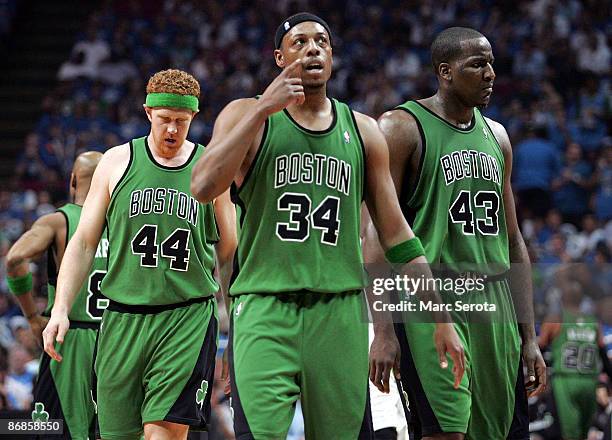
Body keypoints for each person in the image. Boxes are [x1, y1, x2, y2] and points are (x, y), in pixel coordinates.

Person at [190, 12, 464, 440]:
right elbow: (203, 186)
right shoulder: (246, 114)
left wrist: (440, 318)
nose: (312, 48)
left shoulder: (363, 130)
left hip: (340, 312)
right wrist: (264, 106)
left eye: (321, 41)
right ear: (279, 57)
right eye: (299, 42)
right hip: (264, 307)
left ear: (333, 57)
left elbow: (397, 235)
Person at [368, 27, 547, 439]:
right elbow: (376, 234)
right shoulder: (400, 127)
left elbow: (514, 240)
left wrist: (529, 336)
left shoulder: (497, 136)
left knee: (502, 432)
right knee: (446, 432)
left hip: (495, 299)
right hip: (430, 298)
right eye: (477, 65)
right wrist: (382, 330)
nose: (490, 74)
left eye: (491, 65)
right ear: (445, 71)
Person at [43, 69, 236, 440]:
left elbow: (229, 250)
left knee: (162, 434)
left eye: (181, 121)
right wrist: (61, 309)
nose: (172, 130)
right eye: (164, 120)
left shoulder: (210, 169)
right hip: (120, 319)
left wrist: (236, 321)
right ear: (148, 112)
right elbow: (83, 243)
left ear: (193, 118)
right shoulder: (116, 163)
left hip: (186, 317)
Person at [6, 151, 105, 439]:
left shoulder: (59, 222)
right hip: (117, 340)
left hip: (68, 342)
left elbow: (14, 259)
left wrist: (33, 317)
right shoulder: (127, 224)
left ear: (73, 180)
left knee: (47, 428)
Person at [539, 278, 611, 440]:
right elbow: (604, 358)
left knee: (568, 434)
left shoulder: (555, 320)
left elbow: (540, 350)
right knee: (583, 434)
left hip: (565, 382)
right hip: (589, 382)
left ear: (562, 299)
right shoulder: (594, 323)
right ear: (581, 299)